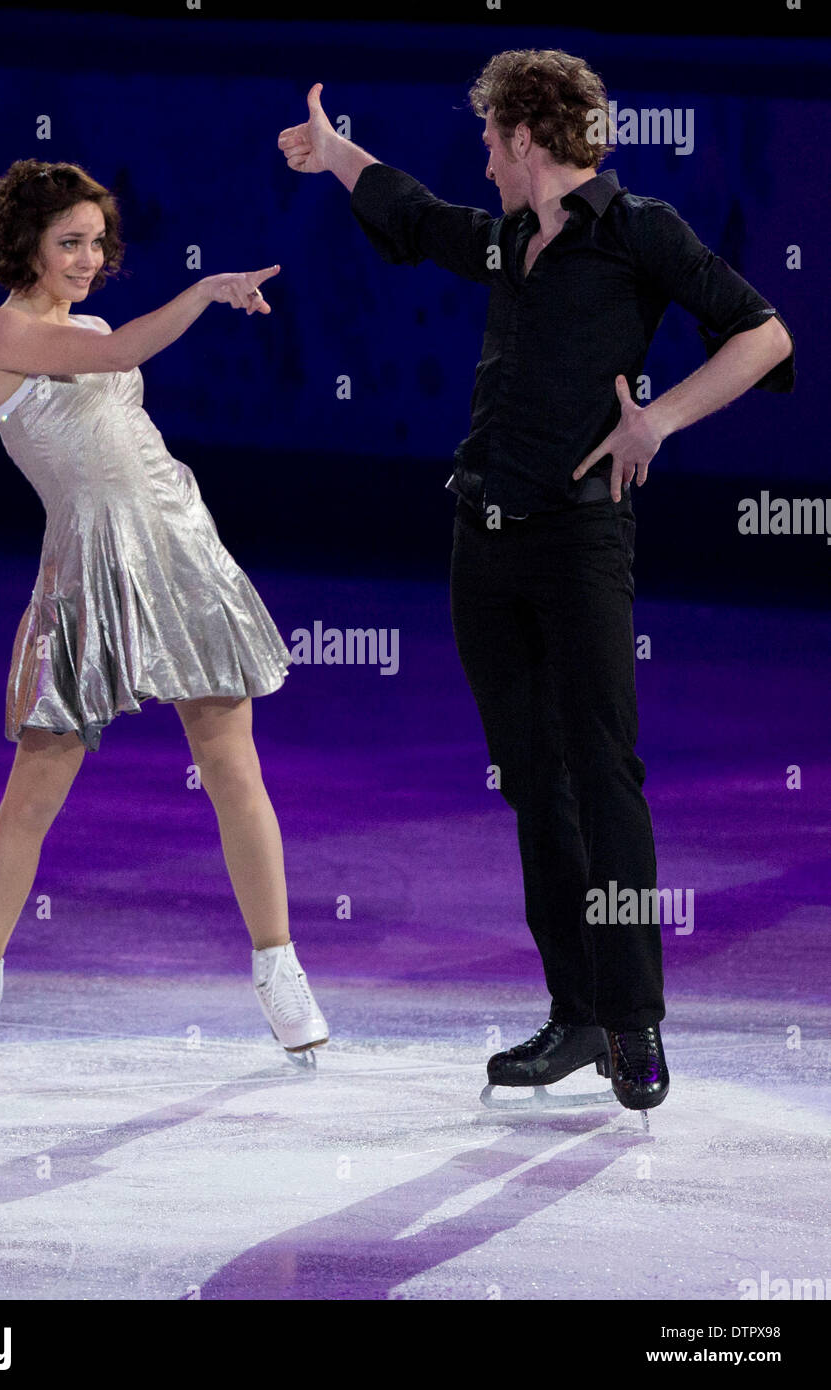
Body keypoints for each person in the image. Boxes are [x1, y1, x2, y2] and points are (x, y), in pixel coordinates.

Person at [277, 51, 794, 1115]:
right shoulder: (510, 239)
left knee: (602, 773)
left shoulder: (638, 229)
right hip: (484, 544)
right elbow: (416, 217)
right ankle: (575, 1015)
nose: (480, 153)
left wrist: (658, 421)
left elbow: (762, 332)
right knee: (529, 783)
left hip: (578, 542)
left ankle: (634, 1020)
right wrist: (335, 157)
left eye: (485, 137)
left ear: (522, 137)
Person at [0, 158, 328, 1077]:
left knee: (232, 764)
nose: (85, 258)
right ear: (25, 243)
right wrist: (203, 292)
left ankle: (280, 969)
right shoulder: (1, 332)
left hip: (181, 551)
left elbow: (121, 394)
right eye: (67, 241)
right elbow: (113, 360)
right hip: (85, 574)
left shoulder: (98, 321)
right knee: (37, 783)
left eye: (96, 242)